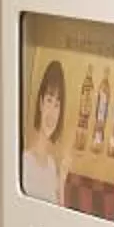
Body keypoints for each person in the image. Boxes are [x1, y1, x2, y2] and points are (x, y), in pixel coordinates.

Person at [19, 60, 67, 203]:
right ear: (40, 103)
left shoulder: (52, 165)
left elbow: (60, 214)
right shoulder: (25, 161)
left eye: (57, 105)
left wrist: (62, 180)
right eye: (49, 100)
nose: (52, 113)